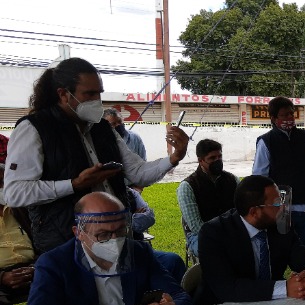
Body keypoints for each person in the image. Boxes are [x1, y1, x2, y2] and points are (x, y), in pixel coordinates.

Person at [4, 57, 189, 253]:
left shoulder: (102, 128)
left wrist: (175, 157)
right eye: (89, 94)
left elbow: (137, 172)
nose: (96, 101)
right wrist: (74, 184)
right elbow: (15, 193)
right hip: (66, 245)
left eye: (99, 94)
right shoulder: (34, 128)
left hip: (117, 238)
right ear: (63, 94)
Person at [25, 192, 193, 305]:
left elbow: (180, 296)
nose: (115, 241)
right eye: (103, 235)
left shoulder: (138, 252)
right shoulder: (54, 264)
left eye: (120, 231)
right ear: (79, 233)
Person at [195, 175, 305, 305]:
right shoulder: (213, 233)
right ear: (254, 212)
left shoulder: (280, 226)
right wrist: (284, 288)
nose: (283, 208)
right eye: (277, 203)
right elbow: (227, 288)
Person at [252, 96, 305, 248]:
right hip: (280, 210)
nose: (289, 117)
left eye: (291, 114)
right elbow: (259, 176)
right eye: (284, 115)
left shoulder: (304, 137)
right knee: (279, 252)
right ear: (274, 118)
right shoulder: (266, 141)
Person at [177, 139, 238, 256]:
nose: (217, 161)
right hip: (200, 236)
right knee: (214, 250)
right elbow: (196, 226)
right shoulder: (187, 186)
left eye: (219, 157)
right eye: (212, 158)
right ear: (200, 161)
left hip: (231, 232)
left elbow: (242, 210)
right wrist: (222, 238)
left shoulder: (233, 180)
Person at [0, 164, 36, 305]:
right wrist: (2, 277)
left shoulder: (21, 209)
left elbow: (43, 240)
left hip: (32, 267)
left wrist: (37, 267)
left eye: (3, 182)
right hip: (1, 276)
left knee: (60, 282)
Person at [126, 187, 186, 283]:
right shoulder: (98, 199)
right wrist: (132, 218)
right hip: (119, 259)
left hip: (140, 251)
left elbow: (149, 218)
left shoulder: (130, 193)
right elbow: (113, 227)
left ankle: (178, 295)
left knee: (174, 261)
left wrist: (128, 220)